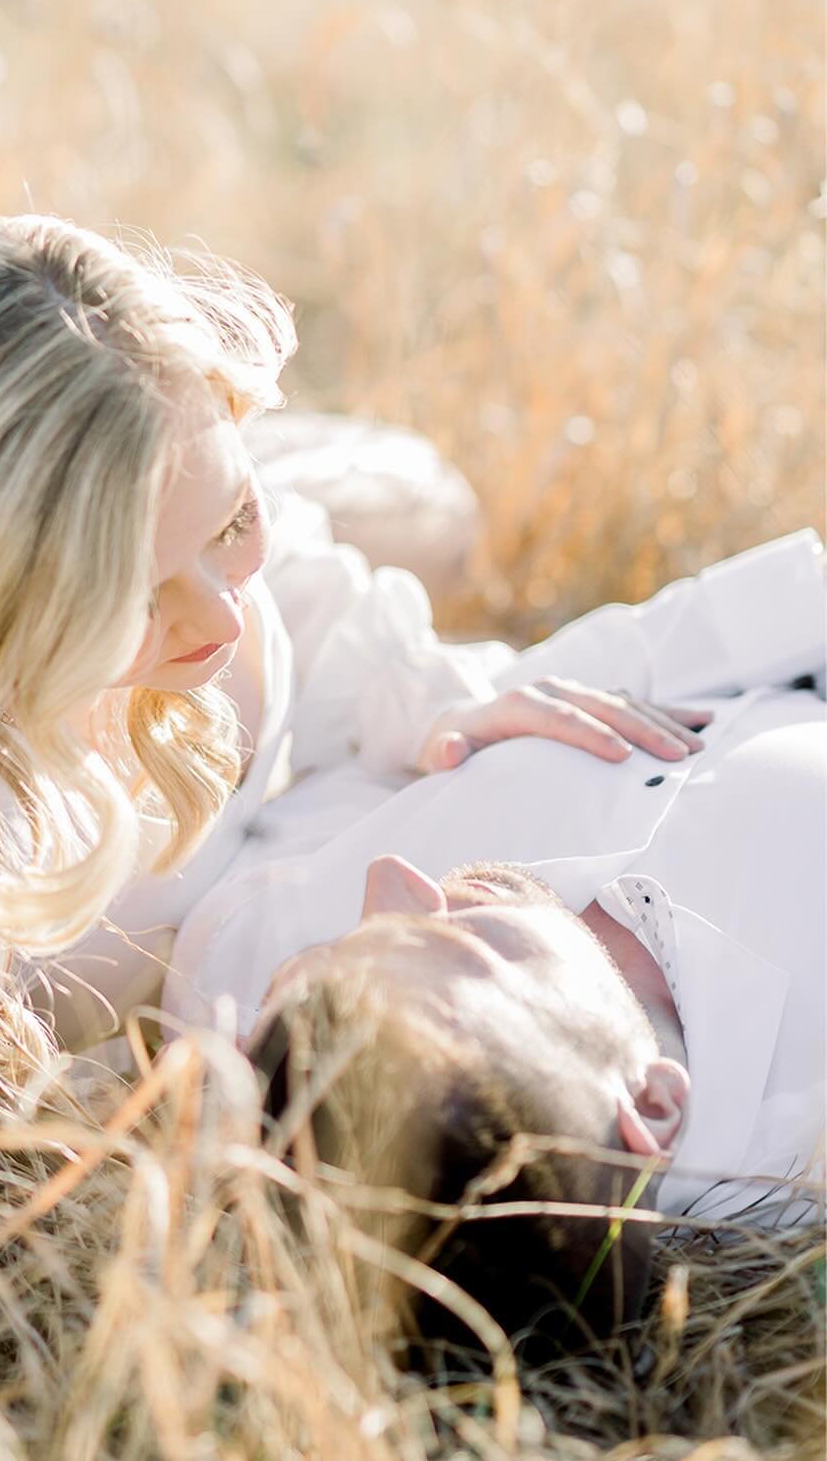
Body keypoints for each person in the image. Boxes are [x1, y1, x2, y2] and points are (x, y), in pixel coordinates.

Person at [0, 208, 701, 1050]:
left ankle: (285, 478)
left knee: (432, 504)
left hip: (249, 520)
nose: (220, 616)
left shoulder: (227, 588)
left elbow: (303, 590)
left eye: (229, 521)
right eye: (129, 595)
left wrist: (432, 693)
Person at [171, 531, 826, 1340]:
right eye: (465, 946)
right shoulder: (801, 1114)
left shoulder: (258, 972)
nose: (395, 880)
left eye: (339, 945)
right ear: (652, 1102)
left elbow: (317, 703)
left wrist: (438, 704)